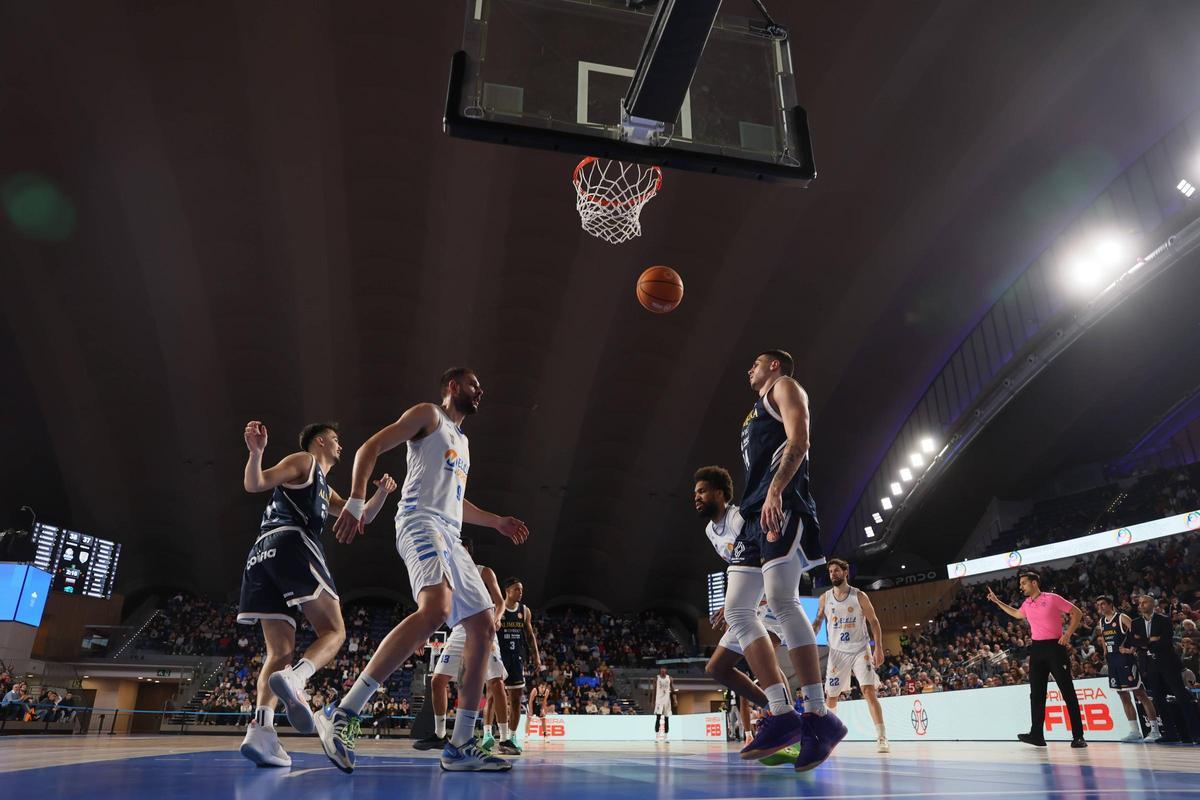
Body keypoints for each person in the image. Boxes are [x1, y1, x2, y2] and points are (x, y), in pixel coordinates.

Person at [316, 367, 530, 773]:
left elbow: (457, 502)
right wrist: (357, 500)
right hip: (419, 521)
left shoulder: (464, 444)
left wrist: (496, 520)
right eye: (473, 385)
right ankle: (343, 712)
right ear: (452, 387)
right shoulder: (429, 415)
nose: (480, 391)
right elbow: (369, 448)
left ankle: (462, 743)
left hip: (449, 530)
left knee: (484, 623)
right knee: (435, 609)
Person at [236, 420, 396, 767]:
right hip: (291, 543)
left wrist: (381, 493)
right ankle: (297, 679)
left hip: (261, 557)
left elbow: (360, 515)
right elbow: (256, 482)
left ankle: (261, 731)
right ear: (320, 441)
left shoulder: (325, 489)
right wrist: (257, 454)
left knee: (278, 652)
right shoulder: (305, 462)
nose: (340, 446)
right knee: (335, 631)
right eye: (336, 440)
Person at [734, 350, 845, 771]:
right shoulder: (753, 412)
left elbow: (799, 442)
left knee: (782, 599)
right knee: (738, 609)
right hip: (752, 514)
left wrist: (778, 489)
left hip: (781, 504)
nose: (750, 368)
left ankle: (818, 715)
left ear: (775, 366)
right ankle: (782, 713)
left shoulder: (784, 387)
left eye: (756, 362)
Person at [695, 465, 799, 765]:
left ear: (720, 493)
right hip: (748, 603)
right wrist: (732, 603)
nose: (697, 498)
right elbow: (740, 568)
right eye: (695, 493)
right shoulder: (709, 531)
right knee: (717, 669)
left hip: (768, 599)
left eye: (702, 491)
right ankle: (784, 714)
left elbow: (766, 556)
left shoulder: (739, 517)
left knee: (765, 662)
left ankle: (789, 725)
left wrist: (743, 601)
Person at [415, 542, 514, 755]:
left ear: (466, 552)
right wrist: (423, 635)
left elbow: (500, 602)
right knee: (437, 680)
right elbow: (438, 609)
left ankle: (506, 739)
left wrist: (497, 617)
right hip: (459, 630)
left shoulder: (483, 571)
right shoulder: (447, 576)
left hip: (483, 626)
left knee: (496, 683)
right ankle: (440, 734)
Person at [986, 571, 1087, 748]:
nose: (1021, 586)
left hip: (1055, 647)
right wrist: (996, 602)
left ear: (1034, 583)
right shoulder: (1027, 603)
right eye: (1020, 583)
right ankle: (1037, 735)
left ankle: (1078, 736)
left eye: (1023, 583)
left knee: (1067, 691)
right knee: (1036, 694)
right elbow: (1017, 614)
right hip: (1037, 649)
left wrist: (1068, 634)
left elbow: (1077, 613)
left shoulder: (1052, 598)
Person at [813, 559, 888, 752]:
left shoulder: (859, 595)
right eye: (830, 572)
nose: (833, 574)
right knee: (831, 697)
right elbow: (818, 622)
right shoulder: (824, 598)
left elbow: (875, 622)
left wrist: (878, 648)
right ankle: (830, 736)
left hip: (860, 649)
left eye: (836, 571)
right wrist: (809, 635)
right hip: (837, 652)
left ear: (846, 572)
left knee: (869, 692)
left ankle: (882, 738)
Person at [1128, 595, 1199, 743]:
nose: (1141, 605)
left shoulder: (1164, 619)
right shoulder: (1135, 623)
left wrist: (1144, 643)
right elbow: (1134, 641)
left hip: (1168, 663)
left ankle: (1195, 733)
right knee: (1159, 700)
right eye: (1139, 603)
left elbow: (1165, 641)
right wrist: (1151, 640)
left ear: (1152, 604)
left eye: (1144, 602)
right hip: (1149, 665)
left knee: (1182, 697)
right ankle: (1170, 734)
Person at [1092, 595, 1161, 742]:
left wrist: (1132, 648)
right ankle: (1134, 731)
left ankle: (1155, 730)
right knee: (1123, 696)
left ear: (1110, 604)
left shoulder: (1121, 617)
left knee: (1140, 694)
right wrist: (1105, 653)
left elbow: (1137, 634)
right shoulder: (1102, 622)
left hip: (1126, 661)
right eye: (1098, 605)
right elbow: (1105, 640)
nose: (1100, 607)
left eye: (1103, 604)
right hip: (1113, 662)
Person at [496, 576, 540, 755]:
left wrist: (536, 656)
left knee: (515, 699)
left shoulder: (525, 610)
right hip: (498, 656)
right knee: (494, 697)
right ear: (507, 591)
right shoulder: (497, 608)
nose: (520, 592)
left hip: (516, 658)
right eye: (516, 589)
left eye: (521, 590)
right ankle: (492, 735)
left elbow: (530, 635)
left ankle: (512, 737)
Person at [653, 666, 676, 741]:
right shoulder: (656, 678)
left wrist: (675, 700)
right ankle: (657, 736)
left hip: (667, 700)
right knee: (658, 718)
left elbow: (673, 690)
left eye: (664, 669)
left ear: (666, 670)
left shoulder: (670, 678)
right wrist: (652, 701)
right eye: (661, 669)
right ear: (660, 670)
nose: (663, 670)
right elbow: (654, 690)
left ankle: (666, 736)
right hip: (659, 700)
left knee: (667, 718)